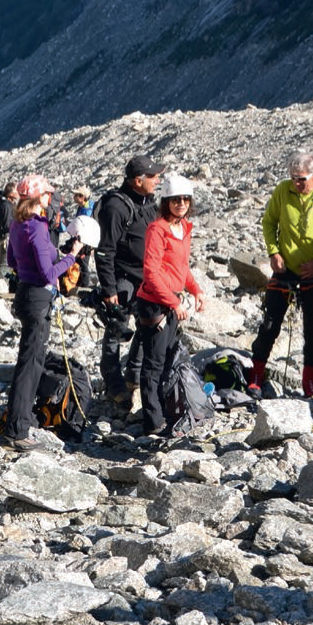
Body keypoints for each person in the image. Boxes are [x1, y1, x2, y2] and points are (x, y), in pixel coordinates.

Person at [248, 150, 313, 400]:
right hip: (285, 270)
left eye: (302, 179)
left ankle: (310, 383)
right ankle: (256, 376)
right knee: (270, 325)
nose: (297, 183)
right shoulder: (283, 191)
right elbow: (269, 222)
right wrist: (273, 252)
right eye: (294, 178)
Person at [3, 175, 82, 451]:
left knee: (26, 362)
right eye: (48, 194)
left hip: (24, 293)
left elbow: (12, 260)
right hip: (38, 298)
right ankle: (18, 430)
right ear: (41, 198)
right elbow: (49, 273)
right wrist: (72, 257)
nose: (51, 198)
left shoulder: (17, 224)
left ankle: (17, 423)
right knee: (31, 364)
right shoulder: (37, 228)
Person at [135, 175, 205, 437]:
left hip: (170, 302)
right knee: (153, 363)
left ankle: (165, 411)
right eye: (176, 200)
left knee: (166, 360)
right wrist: (174, 302)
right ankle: (152, 421)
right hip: (155, 305)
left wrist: (195, 290)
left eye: (186, 199)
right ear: (166, 201)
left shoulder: (184, 228)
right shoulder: (158, 229)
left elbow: (182, 267)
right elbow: (151, 272)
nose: (182, 204)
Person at [94, 154, 162, 406]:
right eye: (153, 176)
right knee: (115, 331)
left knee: (147, 328)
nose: (157, 180)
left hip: (147, 278)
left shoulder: (148, 203)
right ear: (137, 180)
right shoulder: (116, 207)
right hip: (122, 279)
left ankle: (133, 376)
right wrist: (109, 288)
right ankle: (114, 386)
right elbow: (104, 250)